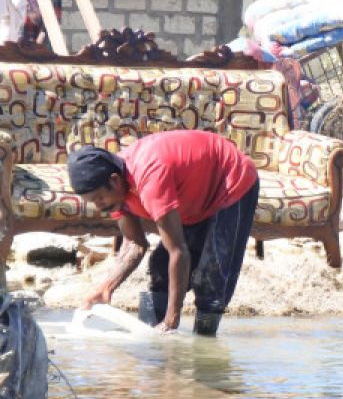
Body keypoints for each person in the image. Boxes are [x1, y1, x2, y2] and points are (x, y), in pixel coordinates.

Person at [67, 130, 260, 336]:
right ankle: (153, 348)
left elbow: (178, 251)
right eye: (92, 201)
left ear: (114, 180)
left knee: (211, 280)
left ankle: (205, 349)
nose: (99, 206)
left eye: (99, 198)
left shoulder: (150, 178)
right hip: (193, 194)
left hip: (231, 181)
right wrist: (106, 288)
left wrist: (171, 321)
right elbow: (134, 245)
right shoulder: (115, 190)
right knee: (159, 267)